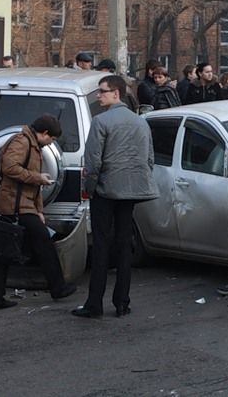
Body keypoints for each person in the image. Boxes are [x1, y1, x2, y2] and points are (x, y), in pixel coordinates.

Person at [72, 76, 158, 319]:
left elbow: (92, 162)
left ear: (116, 93)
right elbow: (149, 158)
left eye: (102, 91)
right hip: (131, 190)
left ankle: (94, 304)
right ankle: (122, 302)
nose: (99, 96)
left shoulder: (100, 121)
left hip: (106, 189)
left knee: (101, 246)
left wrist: (90, 186)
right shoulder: (141, 123)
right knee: (123, 245)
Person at [0, 115, 77, 311]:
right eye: (51, 139)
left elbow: (33, 188)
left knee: (5, 250)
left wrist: (39, 211)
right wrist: (37, 177)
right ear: (44, 133)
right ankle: (57, 287)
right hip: (14, 204)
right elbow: (9, 167)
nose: (51, 143)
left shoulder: (34, 145)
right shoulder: (22, 142)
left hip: (21, 204)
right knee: (40, 242)